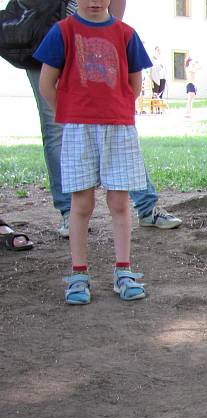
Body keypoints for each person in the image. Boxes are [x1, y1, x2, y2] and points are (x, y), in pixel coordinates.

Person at [4, 0, 181, 237]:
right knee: (56, 128)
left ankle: (147, 207)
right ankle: (70, 212)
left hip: (98, 38)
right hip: (45, 35)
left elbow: (132, 87)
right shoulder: (58, 33)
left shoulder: (121, 33)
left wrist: (113, 30)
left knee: (119, 128)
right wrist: (68, 113)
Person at [35, 0, 152, 304]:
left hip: (118, 128)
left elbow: (134, 84)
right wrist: (71, 114)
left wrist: (114, 111)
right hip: (78, 130)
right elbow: (47, 83)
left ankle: (124, 271)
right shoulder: (63, 31)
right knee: (81, 203)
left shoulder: (126, 34)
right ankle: (78, 274)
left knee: (120, 200)